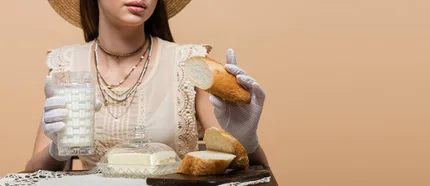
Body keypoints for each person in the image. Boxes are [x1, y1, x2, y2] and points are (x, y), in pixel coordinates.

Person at [25, 0, 276, 184]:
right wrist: (55, 150)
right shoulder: (66, 64)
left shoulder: (190, 64)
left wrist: (247, 141)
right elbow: (28, 176)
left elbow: (259, 179)